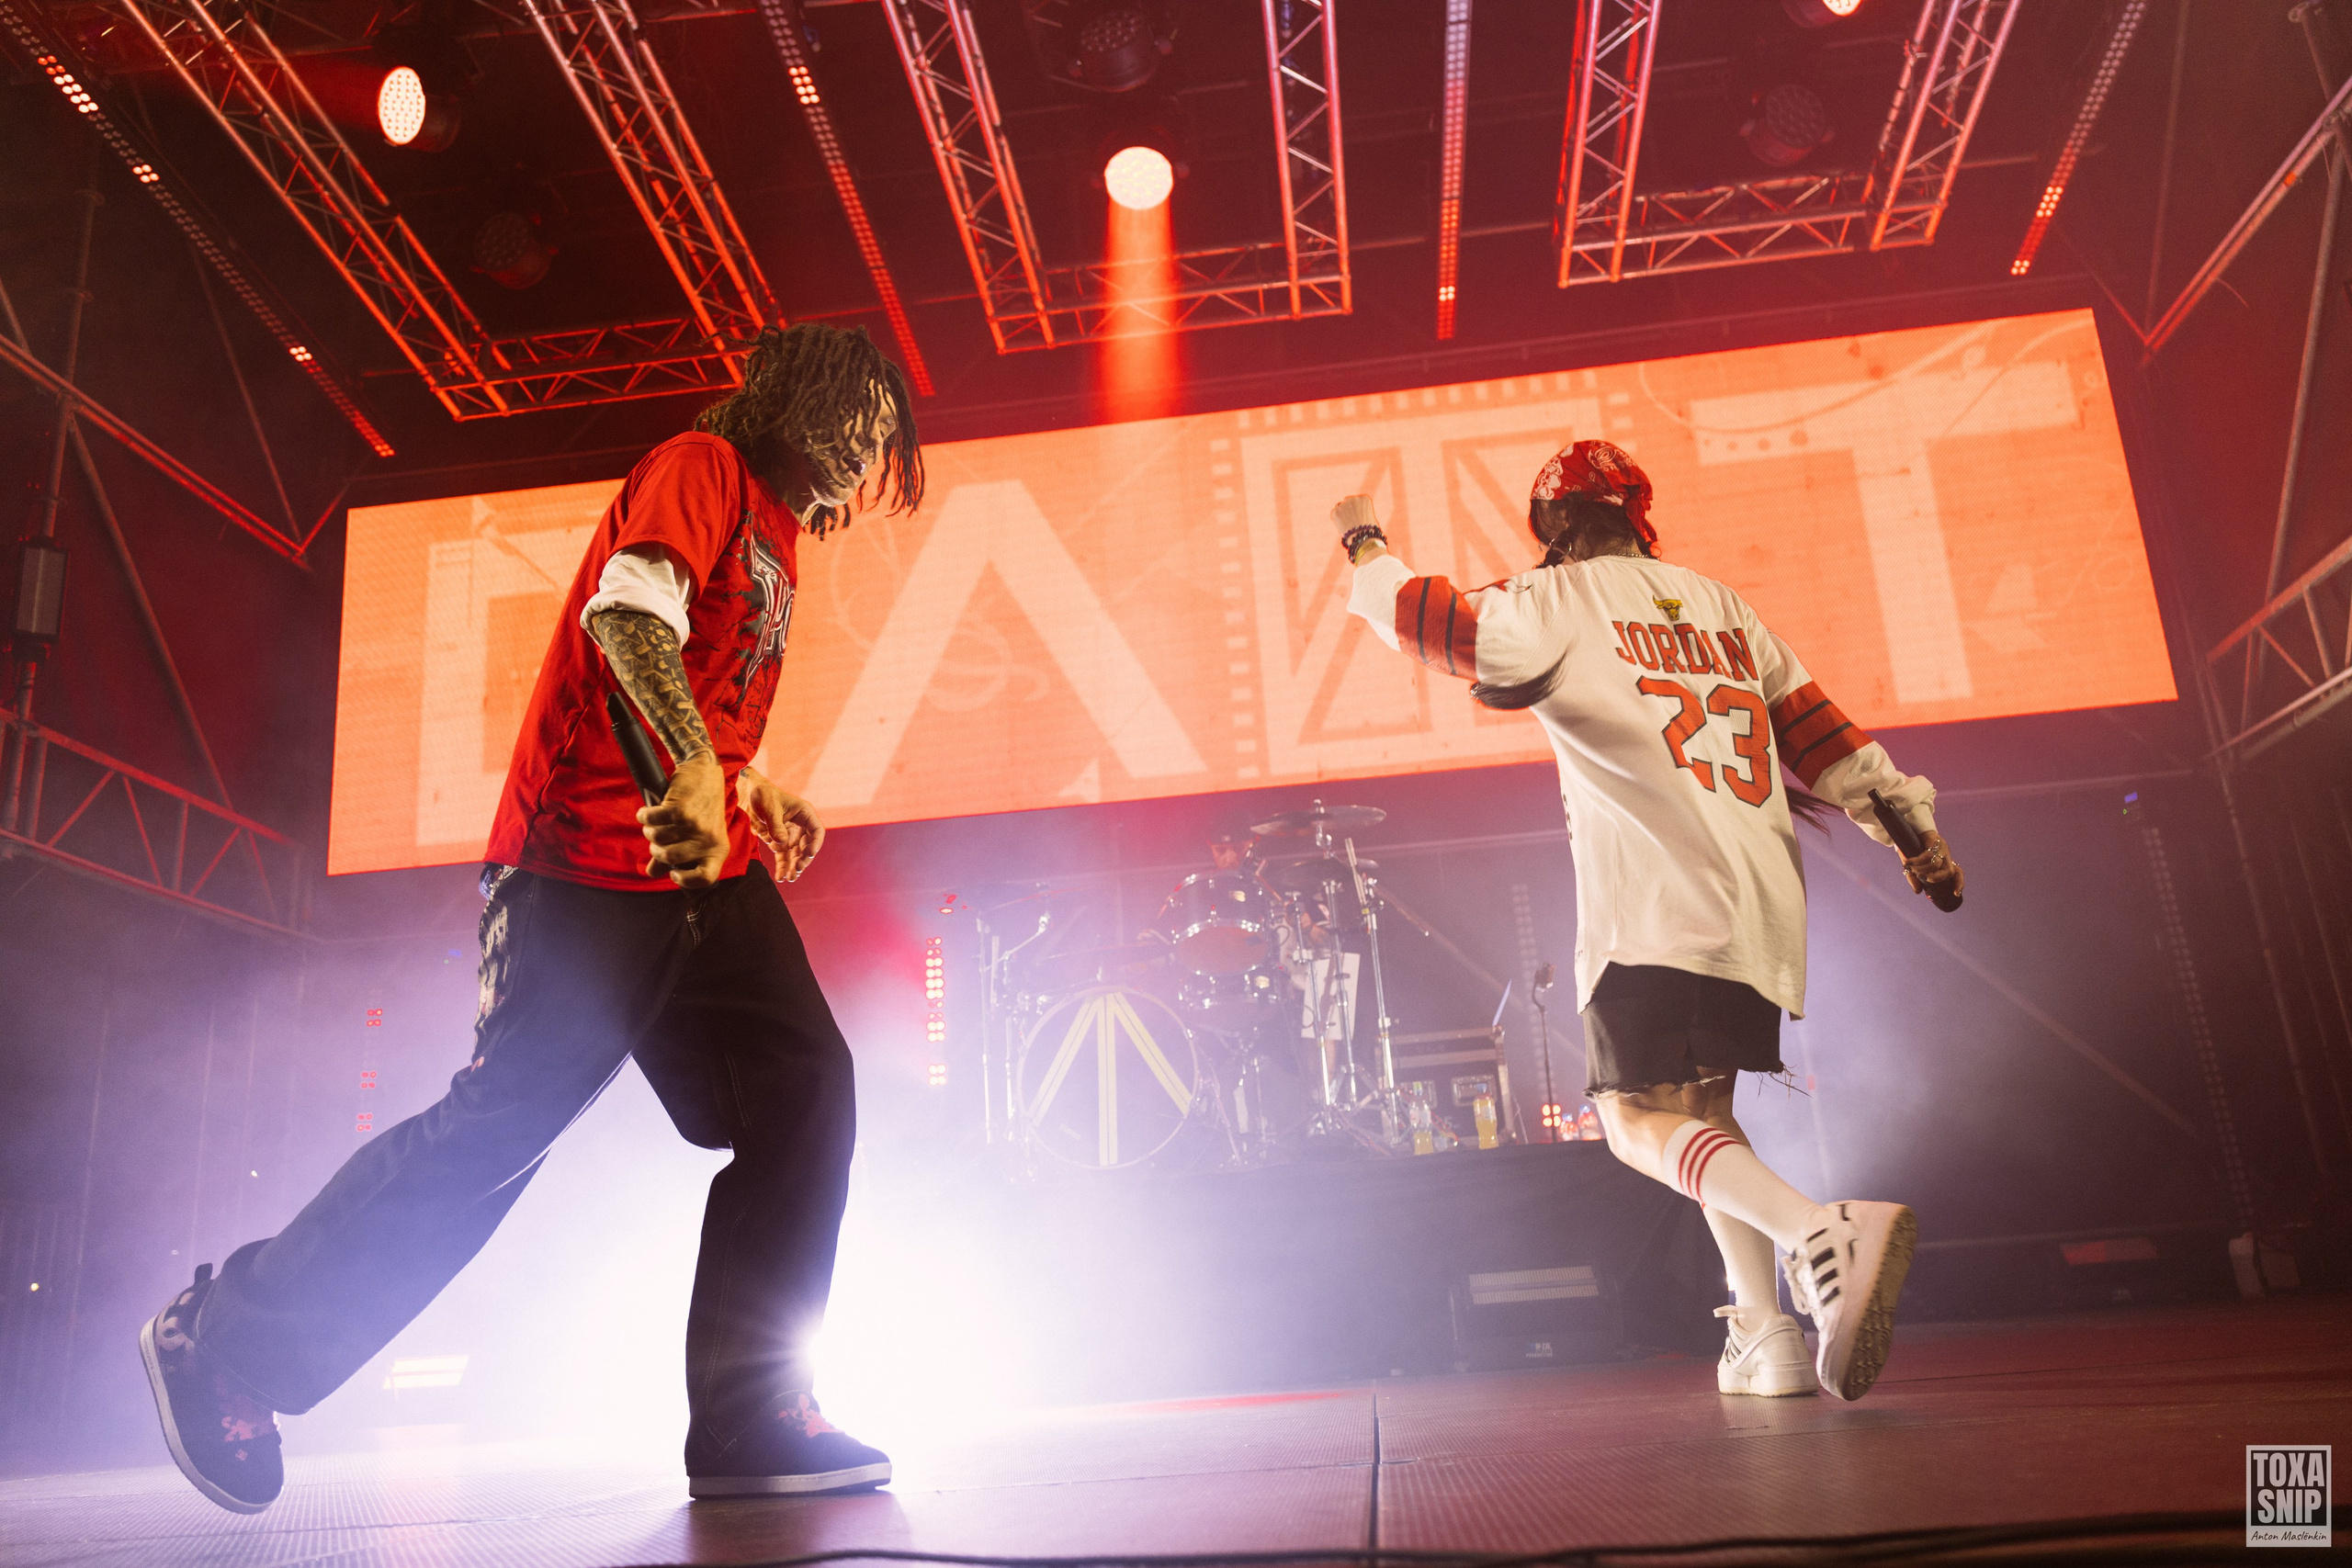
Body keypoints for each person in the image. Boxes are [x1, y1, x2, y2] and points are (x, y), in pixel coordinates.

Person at [140, 323, 924, 1511]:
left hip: (694, 872)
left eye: (879, 444)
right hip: (580, 866)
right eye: (859, 426)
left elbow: (694, 703)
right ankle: (224, 1337)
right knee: (498, 1128)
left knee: (804, 1084)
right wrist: (695, 774)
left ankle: (752, 1411)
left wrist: (742, 780)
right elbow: (627, 623)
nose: (866, 459)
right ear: (796, 400)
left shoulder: (774, 529)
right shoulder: (700, 469)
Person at [1330, 439, 1963, 1403]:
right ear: (1638, 512)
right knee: (1705, 1116)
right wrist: (1913, 835)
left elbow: (1428, 623)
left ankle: (1814, 1233)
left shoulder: (1555, 601)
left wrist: (1363, 540)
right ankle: (1766, 1334)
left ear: (1552, 526)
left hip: (1653, 902)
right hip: (1758, 901)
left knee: (1630, 1123)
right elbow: (1825, 739)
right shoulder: (1723, 608)